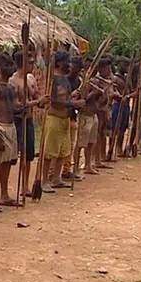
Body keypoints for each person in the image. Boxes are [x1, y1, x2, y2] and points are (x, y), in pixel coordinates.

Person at [10, 51, 48, 198]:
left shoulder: (30, 78)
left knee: (28, 155)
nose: (33, 65)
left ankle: (25, 186)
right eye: (30, 62)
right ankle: (16, 187)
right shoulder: (13, 81)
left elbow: (36, 97)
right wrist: (37, 102)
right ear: (23, 63)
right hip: (18, 121)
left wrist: (42, 101)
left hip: (29, 121)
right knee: (15, 156)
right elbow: (17, 105)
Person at [41, 51, 78, 192]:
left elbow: (65, 98)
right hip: (54, 119)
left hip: (65, 120)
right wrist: (73, 104)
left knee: (63, 151)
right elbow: (54, 102)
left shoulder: (64, 78)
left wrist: (73, 99)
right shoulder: (54, 80)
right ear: (59, 63)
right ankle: (44, 181)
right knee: (49, 153)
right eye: (67, 62)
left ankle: (56, 178)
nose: (69, 65)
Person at [0, 52, 21, 208]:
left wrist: (35, 103)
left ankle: (4, 194)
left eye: (11, 65)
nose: (10, 68)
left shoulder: (11, 87)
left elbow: (16, 107)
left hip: (11, 126)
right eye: (6, 66)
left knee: (7, 162)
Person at [62, 56, 84, 181]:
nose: (71, 69)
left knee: (69, 145)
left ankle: (66, 170)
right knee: (59, 147)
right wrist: (72, 98)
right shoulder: (63, 80)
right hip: (63, 115)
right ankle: (53, 172)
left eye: (74, 67)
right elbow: (61, 99)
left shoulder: (79, 82)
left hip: (72, 116)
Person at [93, 58, 115, 168]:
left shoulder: (109, 80)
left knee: (102, 134)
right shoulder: (97, 81)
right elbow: (97, 98)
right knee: (97, 134)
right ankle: (95, 159)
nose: (109, 70)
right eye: (107, 68)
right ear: (101, 69)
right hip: (98, 110)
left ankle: (100, 157)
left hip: (105, 110)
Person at [111, 57, 131, 157]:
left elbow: (131, 92)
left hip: (126, 106)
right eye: (125, 65)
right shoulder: (115, 78)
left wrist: (130, 96)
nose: (127, 67)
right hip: (117, 105)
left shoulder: (127, 78)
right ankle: (111, 149)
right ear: (120, 65)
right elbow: (113, 92)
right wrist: (120, 97)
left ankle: (119, 148)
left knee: (123, 129)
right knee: (115, 129)